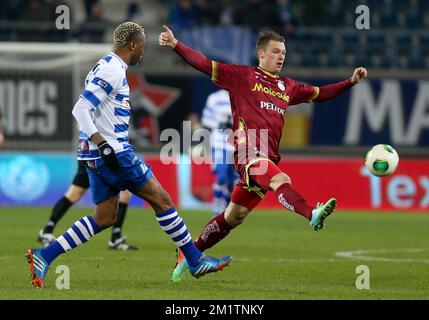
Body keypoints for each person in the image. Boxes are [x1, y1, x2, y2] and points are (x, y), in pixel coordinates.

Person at [26, 21, 232, 288]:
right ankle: (194, 259)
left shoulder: (106, 66)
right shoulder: (112, 70)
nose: (143, 53)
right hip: (113, 152)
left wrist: (98, 146)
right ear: (132, 45)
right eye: (142, 47)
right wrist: (103, 143)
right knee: (162, 199)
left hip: (96, 155)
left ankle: (45, 254)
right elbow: (80, 109)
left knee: (104, 217)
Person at [159, 26, 368, 282]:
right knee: (281, 181)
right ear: (261, 53)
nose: (281, 57)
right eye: (276, 51)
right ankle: (311, 214)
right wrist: (175, 44)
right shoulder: (241, 76)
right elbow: (203, 63)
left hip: (267, 155)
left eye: (284, 53)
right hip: (248, 151)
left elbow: (320, 94)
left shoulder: (288, 87)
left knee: (233, 216)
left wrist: (350, 82)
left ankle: (188, 254)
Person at [37, 161, 138, 251]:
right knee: (74, 194)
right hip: (96, 158)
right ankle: (47, 230)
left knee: (125, 195)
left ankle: (116, 238)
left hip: (104, 158)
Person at [201, 89, 238, 216]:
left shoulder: (242, 95)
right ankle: (217, 208)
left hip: (238, 144)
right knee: (221, 177)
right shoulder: (214, 98)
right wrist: (220, 124)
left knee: (235, 180)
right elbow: (206, 119)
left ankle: (228, 208)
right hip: (219, 143)